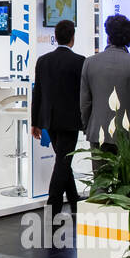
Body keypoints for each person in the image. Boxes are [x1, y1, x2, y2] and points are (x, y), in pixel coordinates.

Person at [31, 20, 85, 220]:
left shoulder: (43, 60)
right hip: (70, 121)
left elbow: (37, 94)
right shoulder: (80, 61)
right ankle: (52, 205)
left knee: (63, 160)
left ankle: (73, 199)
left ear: (56, 36)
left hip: (49, 120)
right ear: (72, 38)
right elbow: (83, 94)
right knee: (63, 161)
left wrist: (35, 121)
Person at [80, 14, 130, 168]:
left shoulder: (90, 63)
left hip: (98, 132)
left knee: (100, 181)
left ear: (108, 36)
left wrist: (88, 127)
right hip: (127, 133)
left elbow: (84, 102)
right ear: (129, 40)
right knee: (126, 180)